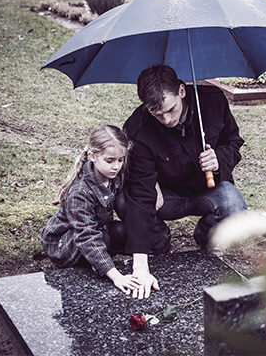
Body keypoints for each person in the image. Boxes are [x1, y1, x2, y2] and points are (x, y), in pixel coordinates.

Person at [120, 64, 247, 299]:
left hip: (209, 191)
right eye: (157, 114)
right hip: (167, 197)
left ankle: (206, 235)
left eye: (171, 110)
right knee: (123, 200)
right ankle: (159, 240)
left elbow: (234, 142)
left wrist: (219, 159)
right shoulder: (138, 128)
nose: (167, 120)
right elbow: (140, 193)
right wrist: (140, 266)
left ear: (181, 91)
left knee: (234, 206)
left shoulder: (213, 101)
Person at [40, 125, 141, 295]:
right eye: (110, 161)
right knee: (101, 239)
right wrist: (116, 276)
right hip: (65, 244)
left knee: (121, 232)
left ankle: (97, 259)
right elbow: (86, 236)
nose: (116, 166)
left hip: (97, 229)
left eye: (120, 160)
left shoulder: (113, 175)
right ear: (92, 156)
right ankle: (93, 263)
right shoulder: (80, 193)